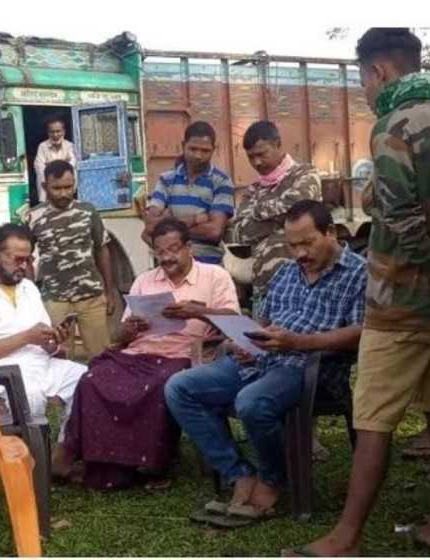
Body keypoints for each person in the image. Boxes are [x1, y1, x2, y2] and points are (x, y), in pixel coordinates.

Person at [292, 28, 430, 557]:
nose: (366, 94)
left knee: (371, 415)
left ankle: (344, 537)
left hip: (402, 302)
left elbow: (405, 219)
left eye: (363, 82)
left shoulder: (396, 123)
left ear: (378, 72)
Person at [167, 200, 366, 524]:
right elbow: (263, 323)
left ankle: (273, 479)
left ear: (330, 232)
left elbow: (360, 333)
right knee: (180, 388)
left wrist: (298, 343)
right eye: (292, 246)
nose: (300, 253)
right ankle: (240, 474)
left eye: (307, 242)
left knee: (251, 401)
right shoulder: (286, 272)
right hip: (262, 360)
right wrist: (246, 341)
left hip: (310, 367)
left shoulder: (358, 272)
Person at [57, 218, 240, 487]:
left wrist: (197, 312)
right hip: (139, 351)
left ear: (189, 247)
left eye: (173, 249)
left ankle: (149, 463)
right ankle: (104, 462)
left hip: (183, 352)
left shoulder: (215, 276)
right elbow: (120, 337)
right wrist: (131, 328)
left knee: (158, 383)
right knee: (92, 379)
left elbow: (234, 320)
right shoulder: (145, 280)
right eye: (160, 252)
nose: (167, 258)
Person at [0, 223, 86, 473]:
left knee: (87, 380)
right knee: (29, 394)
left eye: (28, 259)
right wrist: (27, 337)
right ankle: (27, 466)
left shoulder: (29, 288)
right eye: (17, 259)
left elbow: (41, 337)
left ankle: (61, 453)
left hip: (39, 363)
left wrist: (53, 340)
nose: (24, 266)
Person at [26, 159, 116, 361]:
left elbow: (102, 250)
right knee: (59, 359)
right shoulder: (33, 217)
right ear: (44, 187)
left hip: (91, 296)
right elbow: (25, 259)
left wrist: (109, 292)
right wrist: (32, 296)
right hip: (54, 300)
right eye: (56, 188)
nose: (64, 193)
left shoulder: (88, 211)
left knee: (101, 358)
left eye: (68, 187)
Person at [229, 120, 321, 308]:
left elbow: (299, 209)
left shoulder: (305, 174)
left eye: (262, 154)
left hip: (303, 285)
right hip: (264, 292)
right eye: (251, 157)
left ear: (278, 145)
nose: (257, 162)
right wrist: (280, 219)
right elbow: (239, 232)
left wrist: (257, 212)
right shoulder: (254, 189)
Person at [142, 121, 235, 265]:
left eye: (205, 151)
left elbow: (214, 231)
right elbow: (150, 226)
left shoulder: (221, 182)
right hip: (169, 265)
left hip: (207, 265)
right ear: (183, 145)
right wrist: (194, 219)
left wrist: (169, 227)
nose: (198, 155)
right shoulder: (166, 179)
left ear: (213, 149)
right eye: (193, 149)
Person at [33, 116, 77, 201]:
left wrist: (50, 164)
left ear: (63, 132)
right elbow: (39, 167)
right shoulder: (42, 146)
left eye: (58, 131)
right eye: (52, 132)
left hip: (65, 181)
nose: (55, 135)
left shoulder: (70, 146)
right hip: (49, 182)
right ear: (48, 133)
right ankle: (45, 204)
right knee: (41, 175)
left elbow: (72, 164)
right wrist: (63, 162)